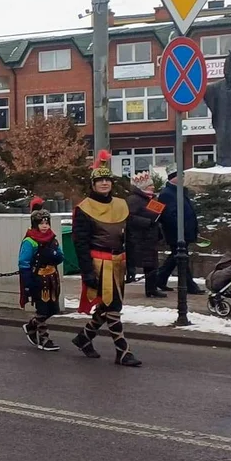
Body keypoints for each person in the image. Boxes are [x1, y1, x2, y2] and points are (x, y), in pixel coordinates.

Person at [72, 151, 141, 367]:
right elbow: (80, 243)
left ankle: (84, 338)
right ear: (93, 184)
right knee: (113, 307)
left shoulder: (121, 204)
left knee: (107, 305)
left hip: (118, 261)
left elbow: (129, 236)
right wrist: (87, 272)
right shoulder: (84, 208)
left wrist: (131, 264)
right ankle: (123, 351)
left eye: (107, 180)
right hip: (98, 263)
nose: (104, 183)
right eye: (100, 180)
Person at [19, 206, 63, 352]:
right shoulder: (30, 241)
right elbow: (24, 263)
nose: (45, 226)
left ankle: (32, 325)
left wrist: (56, 255)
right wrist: (27, 282)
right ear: (35, 225)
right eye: (41, 223)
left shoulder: (53, 238)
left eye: (47, 223)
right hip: (38, 279)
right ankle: (43, 339)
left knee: (53, 308)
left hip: (52, 280)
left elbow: (60, 256)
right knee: (42, 310)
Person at [155, 170, 204, 295]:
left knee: (175, 257)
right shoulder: (167, 193)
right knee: (182, 258)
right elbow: (170, 215)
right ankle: (189, 286)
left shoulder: (179, 191)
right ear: (172, 178)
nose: (183, 178)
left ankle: (159, 279)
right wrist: (180, 228)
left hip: (184, 231)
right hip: (176, 232)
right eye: (180, 176)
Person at [125, 172, 166, 299]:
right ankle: (150, 288)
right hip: (139, 237)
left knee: (152, 264)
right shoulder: (133, 200)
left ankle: (152, 289)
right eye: (150, 185)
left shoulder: (150, 199)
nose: (153, 187)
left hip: (150, 236)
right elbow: (129, 217)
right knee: (145, 263)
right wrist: (147, 222)